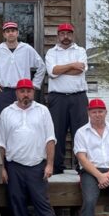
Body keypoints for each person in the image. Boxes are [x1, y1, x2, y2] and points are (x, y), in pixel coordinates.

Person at [0, 79, 61, 216]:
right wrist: (1, 168)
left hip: (37, 166)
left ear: (33, 93)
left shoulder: (43, 111)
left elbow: (50, 139)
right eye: (22, 91)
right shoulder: (6, 113)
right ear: (16, 93)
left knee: (42, 205)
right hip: (14, 166)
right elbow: (1, 143)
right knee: (17, 206)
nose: (26, 94)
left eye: (29, 91)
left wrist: (49, 164)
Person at [44, 22, 89, 175]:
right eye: (62, 34)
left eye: (68, 33)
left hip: (78, 98)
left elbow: (80, 70)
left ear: (72, 35)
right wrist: (71, 66)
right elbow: (52, 71)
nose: (65, 37)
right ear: (58, 35)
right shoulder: (51, 53)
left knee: (81, 132)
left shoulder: (80, 51)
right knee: (57, 133)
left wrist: (61, 70)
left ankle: (82, 166)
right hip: (58, 98)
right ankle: (56, 167)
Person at [0, 20, 46, 124]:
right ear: (4, 34)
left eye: (13, 31)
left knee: (25, 121)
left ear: (17, 33)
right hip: (3, 92)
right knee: (3, 122)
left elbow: (41, 66)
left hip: (23, 92)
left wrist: (34, 85)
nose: (11, 33)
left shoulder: (27, 49)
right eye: (8, 31)